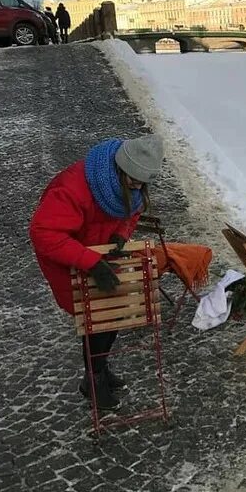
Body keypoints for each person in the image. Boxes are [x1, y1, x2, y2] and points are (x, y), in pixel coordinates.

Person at [30, 135, 165, 410]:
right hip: (68, 257)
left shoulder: (132, 184)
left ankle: (100, 369)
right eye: (134, 181)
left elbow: (133, 210)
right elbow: (44, 233)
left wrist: (120, 234)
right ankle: (93, 380)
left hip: (100, 253)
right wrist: (90, 262)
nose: (138, 187)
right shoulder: (73, 187)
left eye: (143, 183)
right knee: (95, 319)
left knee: (113, 313)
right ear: (120, 168)